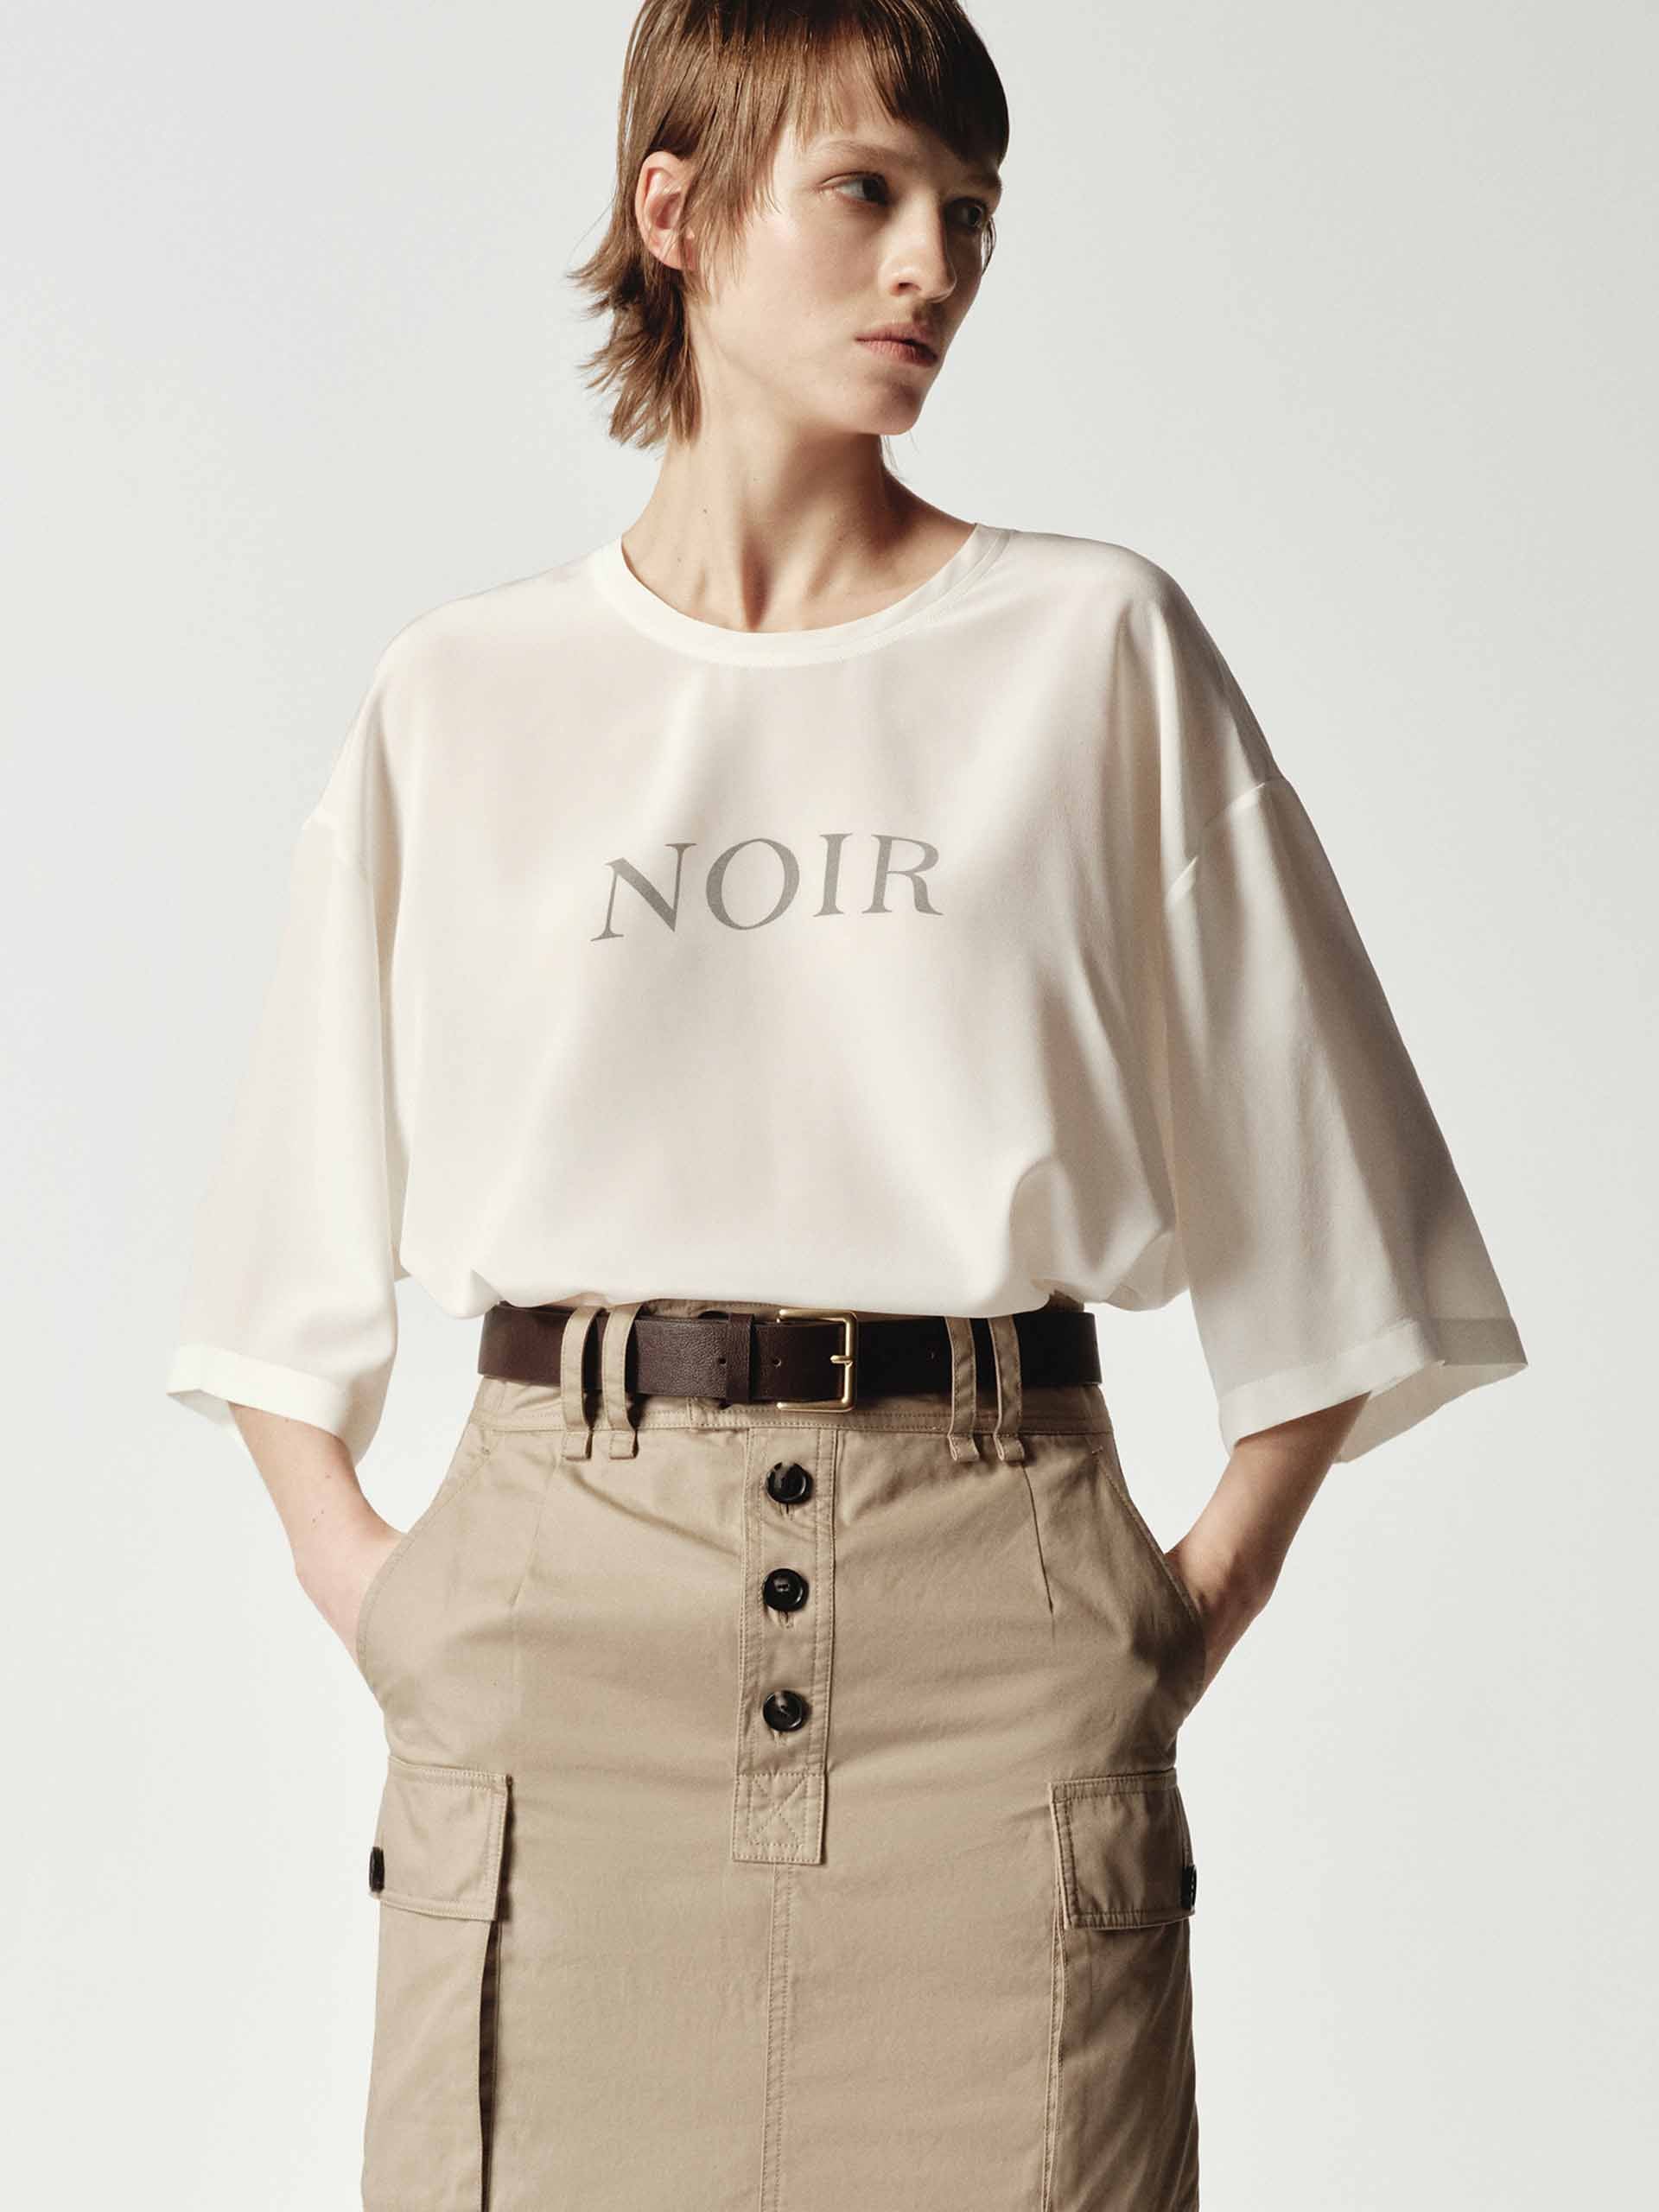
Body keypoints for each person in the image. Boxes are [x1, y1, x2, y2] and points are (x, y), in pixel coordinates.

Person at [162, 4, 1528, 2208]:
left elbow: (1342, 1204)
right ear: (677, 212)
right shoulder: (469, 694)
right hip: (554, 1666)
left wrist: (1166, 1620)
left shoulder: (1093, 649)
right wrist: (389, 1599)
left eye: (969, 212)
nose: (934, 267)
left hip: (998, 1645)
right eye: (868, 193)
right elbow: (280, 1242)